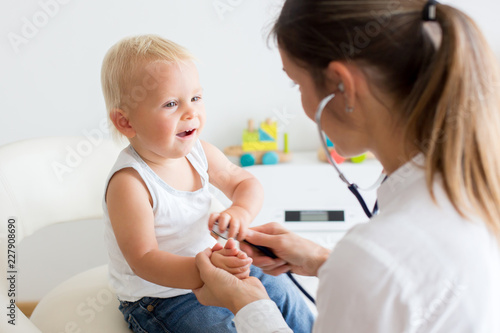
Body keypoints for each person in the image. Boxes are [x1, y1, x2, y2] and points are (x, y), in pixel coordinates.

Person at [193, 0, 500, 332]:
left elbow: (387, 276)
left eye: (297, 84)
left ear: (342, 86)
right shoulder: (479, 188)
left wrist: (247, 305)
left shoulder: (372, 259)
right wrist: (324, 261)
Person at [100, 35, 314, 333]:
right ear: (126, 123)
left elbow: (244, 182)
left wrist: (240, 212)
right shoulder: (130, 183)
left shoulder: (199, 151)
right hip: (164, 297)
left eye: (196, 98)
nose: (191, 113)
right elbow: (144, 260)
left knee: (283, 293)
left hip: (218, 269)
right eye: (171, 103)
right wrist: (205, 272)